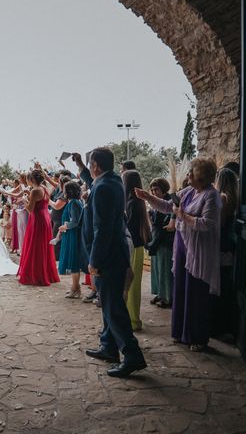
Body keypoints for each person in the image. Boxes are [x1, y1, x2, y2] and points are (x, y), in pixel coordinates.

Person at [135, 157, 222, 352]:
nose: (188, 174)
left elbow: (208, 224)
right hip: (183, 246)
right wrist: (147, 197)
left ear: (201, 175)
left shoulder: (211, 196)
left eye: (192, 172)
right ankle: (182, 332)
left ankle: (197, 336)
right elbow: (168, 206)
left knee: (196, 292)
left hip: (199, 251)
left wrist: (183, 216)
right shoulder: (189, 191)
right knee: (181, 289)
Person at [73, 149, 146, 378]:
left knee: (113, 307)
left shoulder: (103, 187)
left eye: (89, 164)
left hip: (108, 256)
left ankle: (132, 355)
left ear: (95, 165)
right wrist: (82, 169)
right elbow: (94, 183)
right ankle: (108, 346)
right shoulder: (113, 180)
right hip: (116, 252)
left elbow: (102, 228)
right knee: (108, 303)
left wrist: (94, 260)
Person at [17, 169, 60, 286]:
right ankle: (46, 273)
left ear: (32, 179)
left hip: (37, 219)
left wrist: (24, 200)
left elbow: (30, 209)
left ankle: (37, 275)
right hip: (45, 218)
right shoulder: (45, 189)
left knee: (36, 246)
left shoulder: (35, 191)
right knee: (43, 246)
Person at [212, 167, 239, 338]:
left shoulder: (222, 199)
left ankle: (217, 327)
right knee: (226, 286)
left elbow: (219, 226)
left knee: (217, 288)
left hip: (220, 248)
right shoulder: (236, 199)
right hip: (230, 249)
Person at [122, 169, 150, 331]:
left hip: (133, 246)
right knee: (134, 285)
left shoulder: (132, 203)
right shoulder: (136, 202)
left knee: (130, 286)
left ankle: (132, 320)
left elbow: (129, 228)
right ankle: (133, 318)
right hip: (138, 246)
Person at [146, 178, 175, 309]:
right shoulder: (155, 204)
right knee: (157, 269)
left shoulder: (170, 202)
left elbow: (166, 224)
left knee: (165, 270)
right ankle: (160, 293)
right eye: (152, 190)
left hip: (165, 241)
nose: (153, 192)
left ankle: (167, 297)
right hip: (157, 240)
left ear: (164, 189)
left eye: (156, 189)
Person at [57, 180, 87, 299]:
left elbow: (75, 221)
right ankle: (75, 287)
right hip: (71, 234)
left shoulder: (74, 203)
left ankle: (76, 288)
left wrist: (65, 226)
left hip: (73, 235)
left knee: (73, 262)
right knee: (73, 262)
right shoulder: (74, 202)